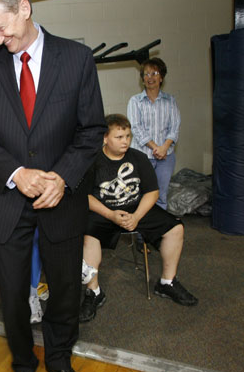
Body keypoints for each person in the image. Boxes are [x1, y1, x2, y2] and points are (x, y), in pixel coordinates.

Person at [0, 0, 106, 372]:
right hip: (11, 199)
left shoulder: (77, 58)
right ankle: (24, 366)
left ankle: (61, 360)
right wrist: (15, 172)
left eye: (0, 26)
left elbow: (92, 131)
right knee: (11, 294)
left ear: (24, 9)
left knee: (65, 288)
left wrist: (61, 177)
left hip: (61, 196)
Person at [81, 114, 197, 323]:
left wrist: (136, 217)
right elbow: (85, 197)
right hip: (105, 212)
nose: (125, 141)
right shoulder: (93, 161)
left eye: (127, 135)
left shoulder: (138, 157)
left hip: (136, 210)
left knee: (176, 228)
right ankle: (93, 292)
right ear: (105, 138)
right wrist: (110, 214)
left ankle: (167, 283)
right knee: (88, 234)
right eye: (119, 137)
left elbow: (152, 192)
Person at [127, 57, 180, 210]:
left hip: (166, 156)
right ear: (142, 79)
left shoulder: (170, 101)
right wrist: (156, 147)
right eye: (146, 74)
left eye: (154, 73)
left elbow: (174, 127)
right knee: (143, 195)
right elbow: (136, 128)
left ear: (161, 77)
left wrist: (164, 148)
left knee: (161, 196)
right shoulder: (135, 101)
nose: (150, 78)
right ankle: (141, 234)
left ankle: (158, 232)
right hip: (143, 156)